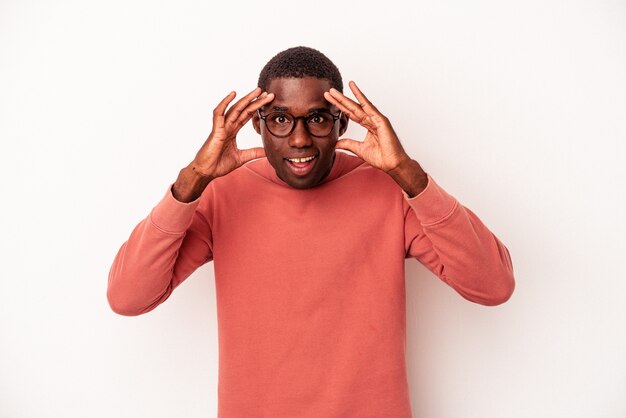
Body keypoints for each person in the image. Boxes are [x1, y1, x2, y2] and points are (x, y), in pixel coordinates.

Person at [108, 46, 515, 417]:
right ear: (256, 124)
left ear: (342, 124)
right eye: (281, 119)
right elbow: (129, 297)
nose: (300, 139)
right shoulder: (221, 196)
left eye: (318, 118)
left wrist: (406, 173)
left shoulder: (390, 191)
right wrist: (192, 181)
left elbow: (493, 285)